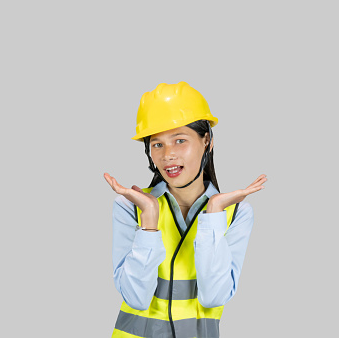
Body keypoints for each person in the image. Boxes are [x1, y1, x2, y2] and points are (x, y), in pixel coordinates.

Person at [104, 82, 267, 338]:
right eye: (157, 144)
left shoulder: (236, 214)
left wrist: (213, 215)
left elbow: (214, 296)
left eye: (180, 140)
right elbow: (135, 298)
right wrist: (149, 221)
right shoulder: (129, 207)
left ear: (207, 141)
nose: (168, 154)